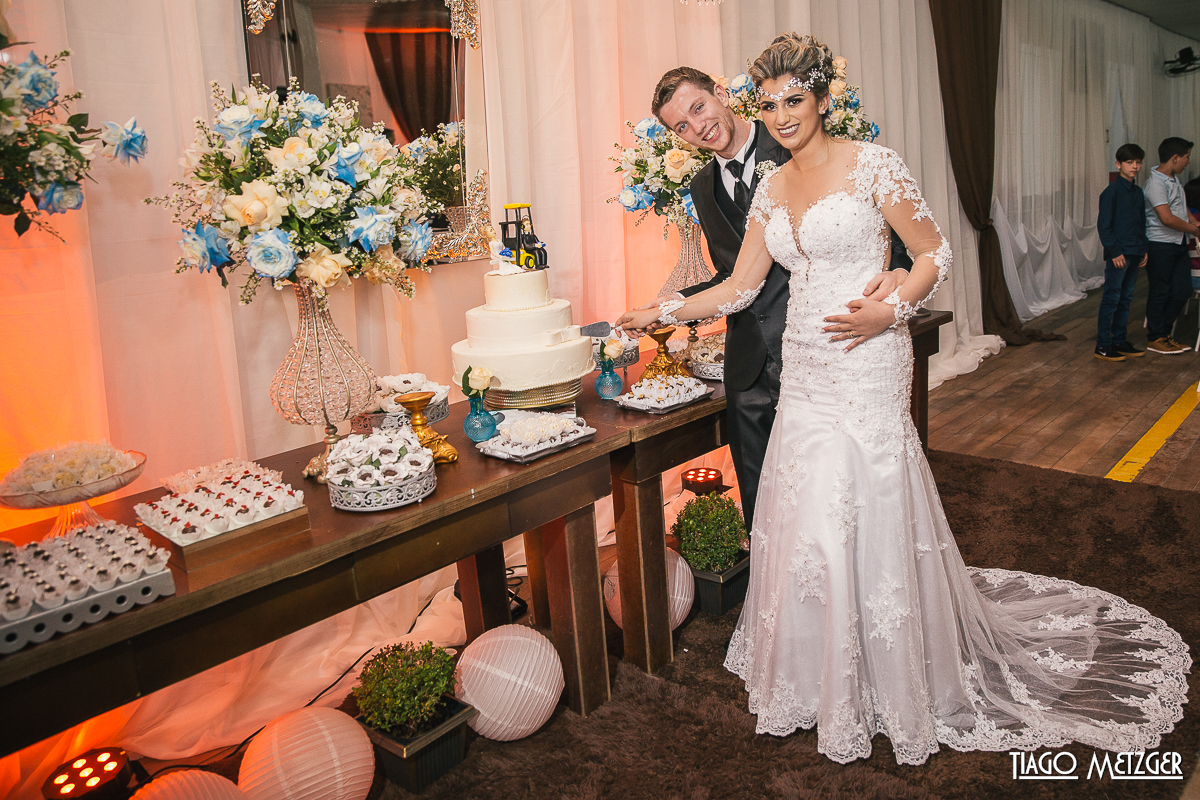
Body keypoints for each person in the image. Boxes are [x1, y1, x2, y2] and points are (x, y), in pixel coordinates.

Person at [618, 33, 1188, 766]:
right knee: (809, 509)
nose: (783, 114)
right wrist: (657, 313)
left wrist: (894, 309)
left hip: (867, 353)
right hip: (806, 364)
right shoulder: (770, 187)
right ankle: (820, 667)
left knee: (868, 495)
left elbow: (933, 253)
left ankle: (894, 665)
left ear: (821, 99)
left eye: (794, 100)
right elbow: (740, 287)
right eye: (771, 103)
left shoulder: (872, 163)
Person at [647, 67, 910, 529]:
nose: (698, 126)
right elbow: (733, 276)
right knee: (760, 492)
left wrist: (899, 275)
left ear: (721, 95)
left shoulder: (794, 137)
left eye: (698, 107)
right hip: (748, 358)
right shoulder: (700, 188)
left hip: (826, 346)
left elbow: (889, 235)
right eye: (681, 126)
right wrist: (667, 307)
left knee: (834, 490)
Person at [1093, 143, 1149, 361]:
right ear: (1118, 164)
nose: (1134, 166)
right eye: (1129, 162)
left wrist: (1144, 249)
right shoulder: (1111, 193)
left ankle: (1119, 340)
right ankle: (1103, 345)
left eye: (1137, 162)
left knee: (1126, 299)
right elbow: (1104, 226)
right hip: (1119, 254)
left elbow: (1140, 223)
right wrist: (1115, 251)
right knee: (1112, 298)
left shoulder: (1138, 192)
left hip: (1135, 251)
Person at [1143, 136, 1199, 354]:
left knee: (1182, 290)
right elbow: (1166, 218)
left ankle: (1164, 333)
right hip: (1160, 245)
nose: (1188, 162)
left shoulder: (1173, 179)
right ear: (1175, 158)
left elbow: (1180, 206)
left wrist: (1192, 220)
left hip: (1177, 242)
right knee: (1160, 291)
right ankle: (1156, 337)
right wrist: (1193, 229)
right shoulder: (1155, 184)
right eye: (1187, 157)